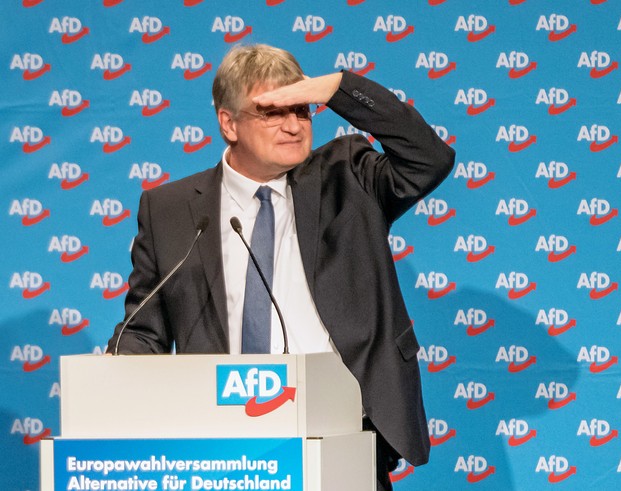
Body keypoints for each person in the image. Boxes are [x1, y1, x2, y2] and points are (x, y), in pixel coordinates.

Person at [107, 44, 455, 490]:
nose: (293, 125)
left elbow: (429, 158)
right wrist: (112, 373)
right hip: (223, 450)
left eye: (303, 110)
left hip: (342, 435)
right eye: (273, 113)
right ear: (228, 123)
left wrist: (337, 89)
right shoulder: (170, 210)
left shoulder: (348, 176)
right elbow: (143, 329)